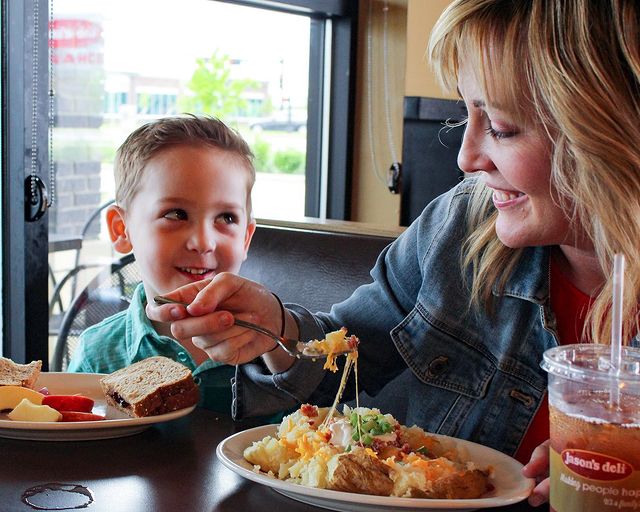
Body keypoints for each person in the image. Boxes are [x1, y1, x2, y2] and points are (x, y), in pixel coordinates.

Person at [146, 0, 640, 506]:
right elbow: (346, 362)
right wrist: (275, 328)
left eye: (500, 126)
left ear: (608, 126)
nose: (466, 157)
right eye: (466, 113)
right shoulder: (459, 226)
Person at [67, 115, 257, 413]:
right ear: (122, 229)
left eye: (226, 217)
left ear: (245, 238)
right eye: (176, 214)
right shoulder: (96, 355)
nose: (203, 242)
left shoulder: (274, 351)